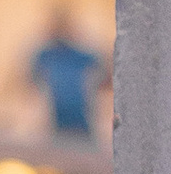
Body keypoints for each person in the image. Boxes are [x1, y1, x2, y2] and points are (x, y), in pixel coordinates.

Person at [27, 7, 110, 143]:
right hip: (55, 125)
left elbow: (105, 72)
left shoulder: (82, 55)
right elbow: (30, 81)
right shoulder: (45, 55)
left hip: (82, 123)